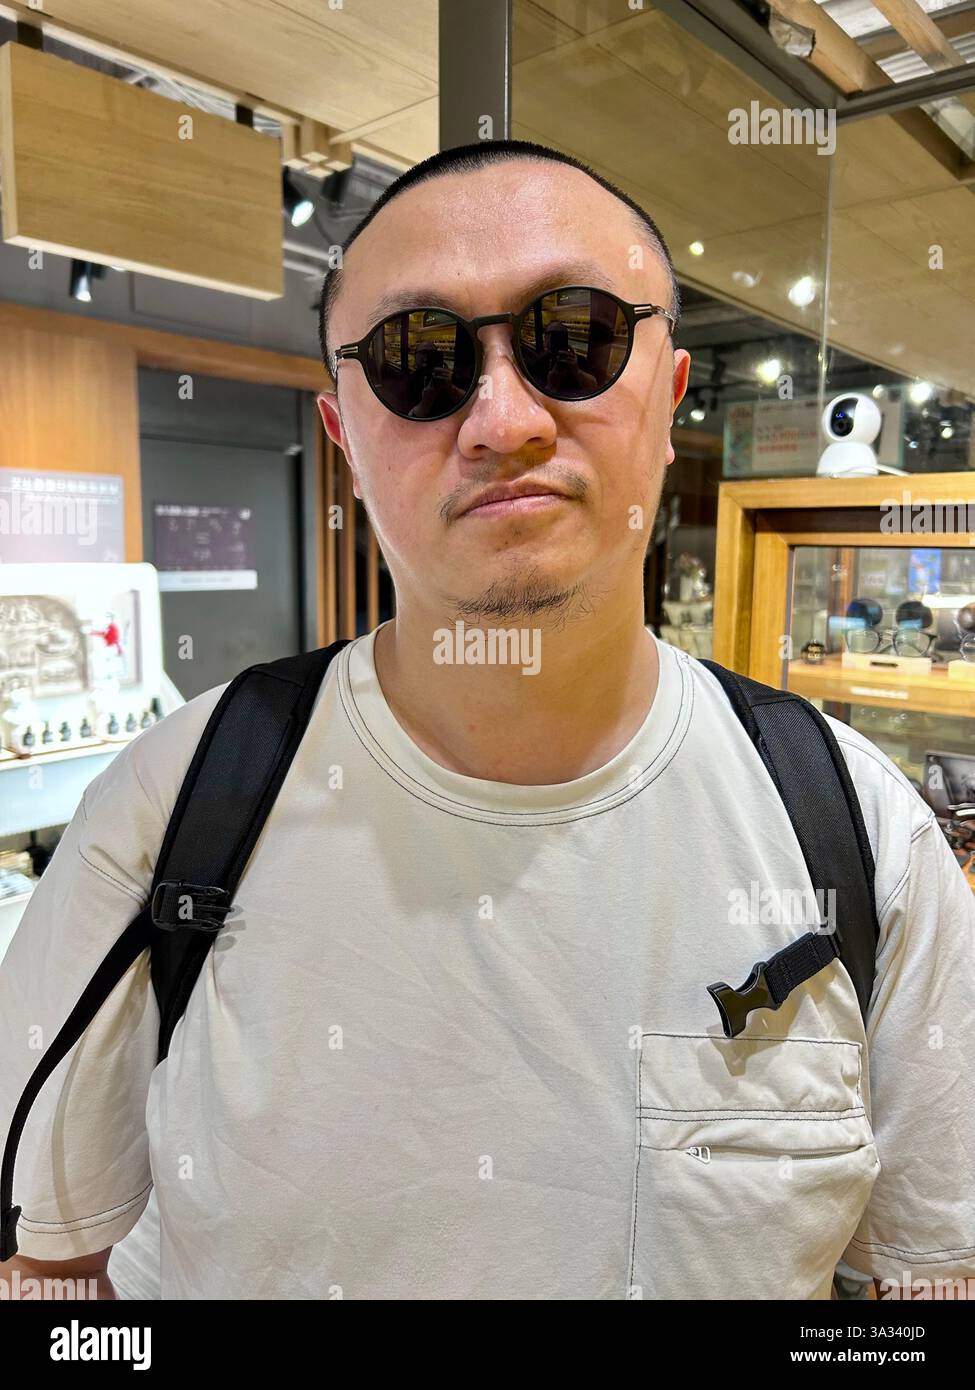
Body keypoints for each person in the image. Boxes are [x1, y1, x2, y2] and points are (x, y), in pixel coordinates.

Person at [1, 139, 973, 1301]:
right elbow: (56, 1278)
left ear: (667, 397)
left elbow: (925, 1285)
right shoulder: (172, 803)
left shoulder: (862, 838)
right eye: (422, 363)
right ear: (345, 436)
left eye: (577, 339)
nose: (503, 419)